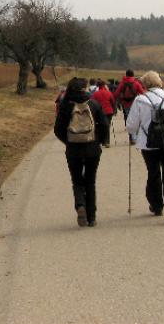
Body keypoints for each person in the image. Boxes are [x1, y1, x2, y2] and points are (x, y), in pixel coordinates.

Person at [126, 71, 164, 225]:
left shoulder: (140, 100)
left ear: (144, 84)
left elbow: (131, 126)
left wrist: (138, 131)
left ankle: (156, 205)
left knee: (153, 174)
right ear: (159, 81)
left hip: (149, 143)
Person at [54, 77, 108, 227]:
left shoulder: (66, 106)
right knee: (90, 181)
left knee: (77, 181)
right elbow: (104, 124)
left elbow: (57, 130)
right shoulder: (93, 104)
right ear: (85, 89)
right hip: (92, 148)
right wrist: (100, 141)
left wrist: (69, 141)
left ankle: (80, 205)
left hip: (73, 150)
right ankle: (92, 217)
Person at [113, 69, 145, 143]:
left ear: (126, 75)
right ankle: (137, 137)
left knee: (129, 120)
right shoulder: (136, 83)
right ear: (133, 75)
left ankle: (131, 138)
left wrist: (115, 102)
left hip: (126, 104)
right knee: (137, 119)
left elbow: (116, 93)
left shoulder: (122, 83)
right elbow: (142, 93)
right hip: (136, 104)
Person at [91, 79, 116, 148]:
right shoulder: (109, 93)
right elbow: (113, 102)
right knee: (107, 126)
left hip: (99, 112)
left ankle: (100, 141)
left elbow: (92, 103)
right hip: (109, 111)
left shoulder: (95, 94)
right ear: (104, 85)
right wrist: (114, 110)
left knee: (99, 126)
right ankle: (107, 142)